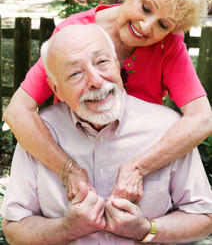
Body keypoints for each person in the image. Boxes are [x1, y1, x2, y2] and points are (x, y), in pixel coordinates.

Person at [3, 0, 212, 202]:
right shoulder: (74, 34)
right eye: (146, 7)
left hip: (138, 182)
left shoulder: (168, 45)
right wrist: (67, 169)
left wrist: (139, 167)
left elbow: (202, 119)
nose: (147, 26)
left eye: (163, 24)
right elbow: (17, 110)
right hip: (78, 163)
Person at [1, 24, 212, 245]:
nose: (96, 80)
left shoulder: (168, 128)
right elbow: (14, 229)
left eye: (102, 62)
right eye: (75, 73)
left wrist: (145, 229)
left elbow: (204, 218)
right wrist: (66, 228)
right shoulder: (38, 134)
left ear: (117, 64)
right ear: (57, 90)